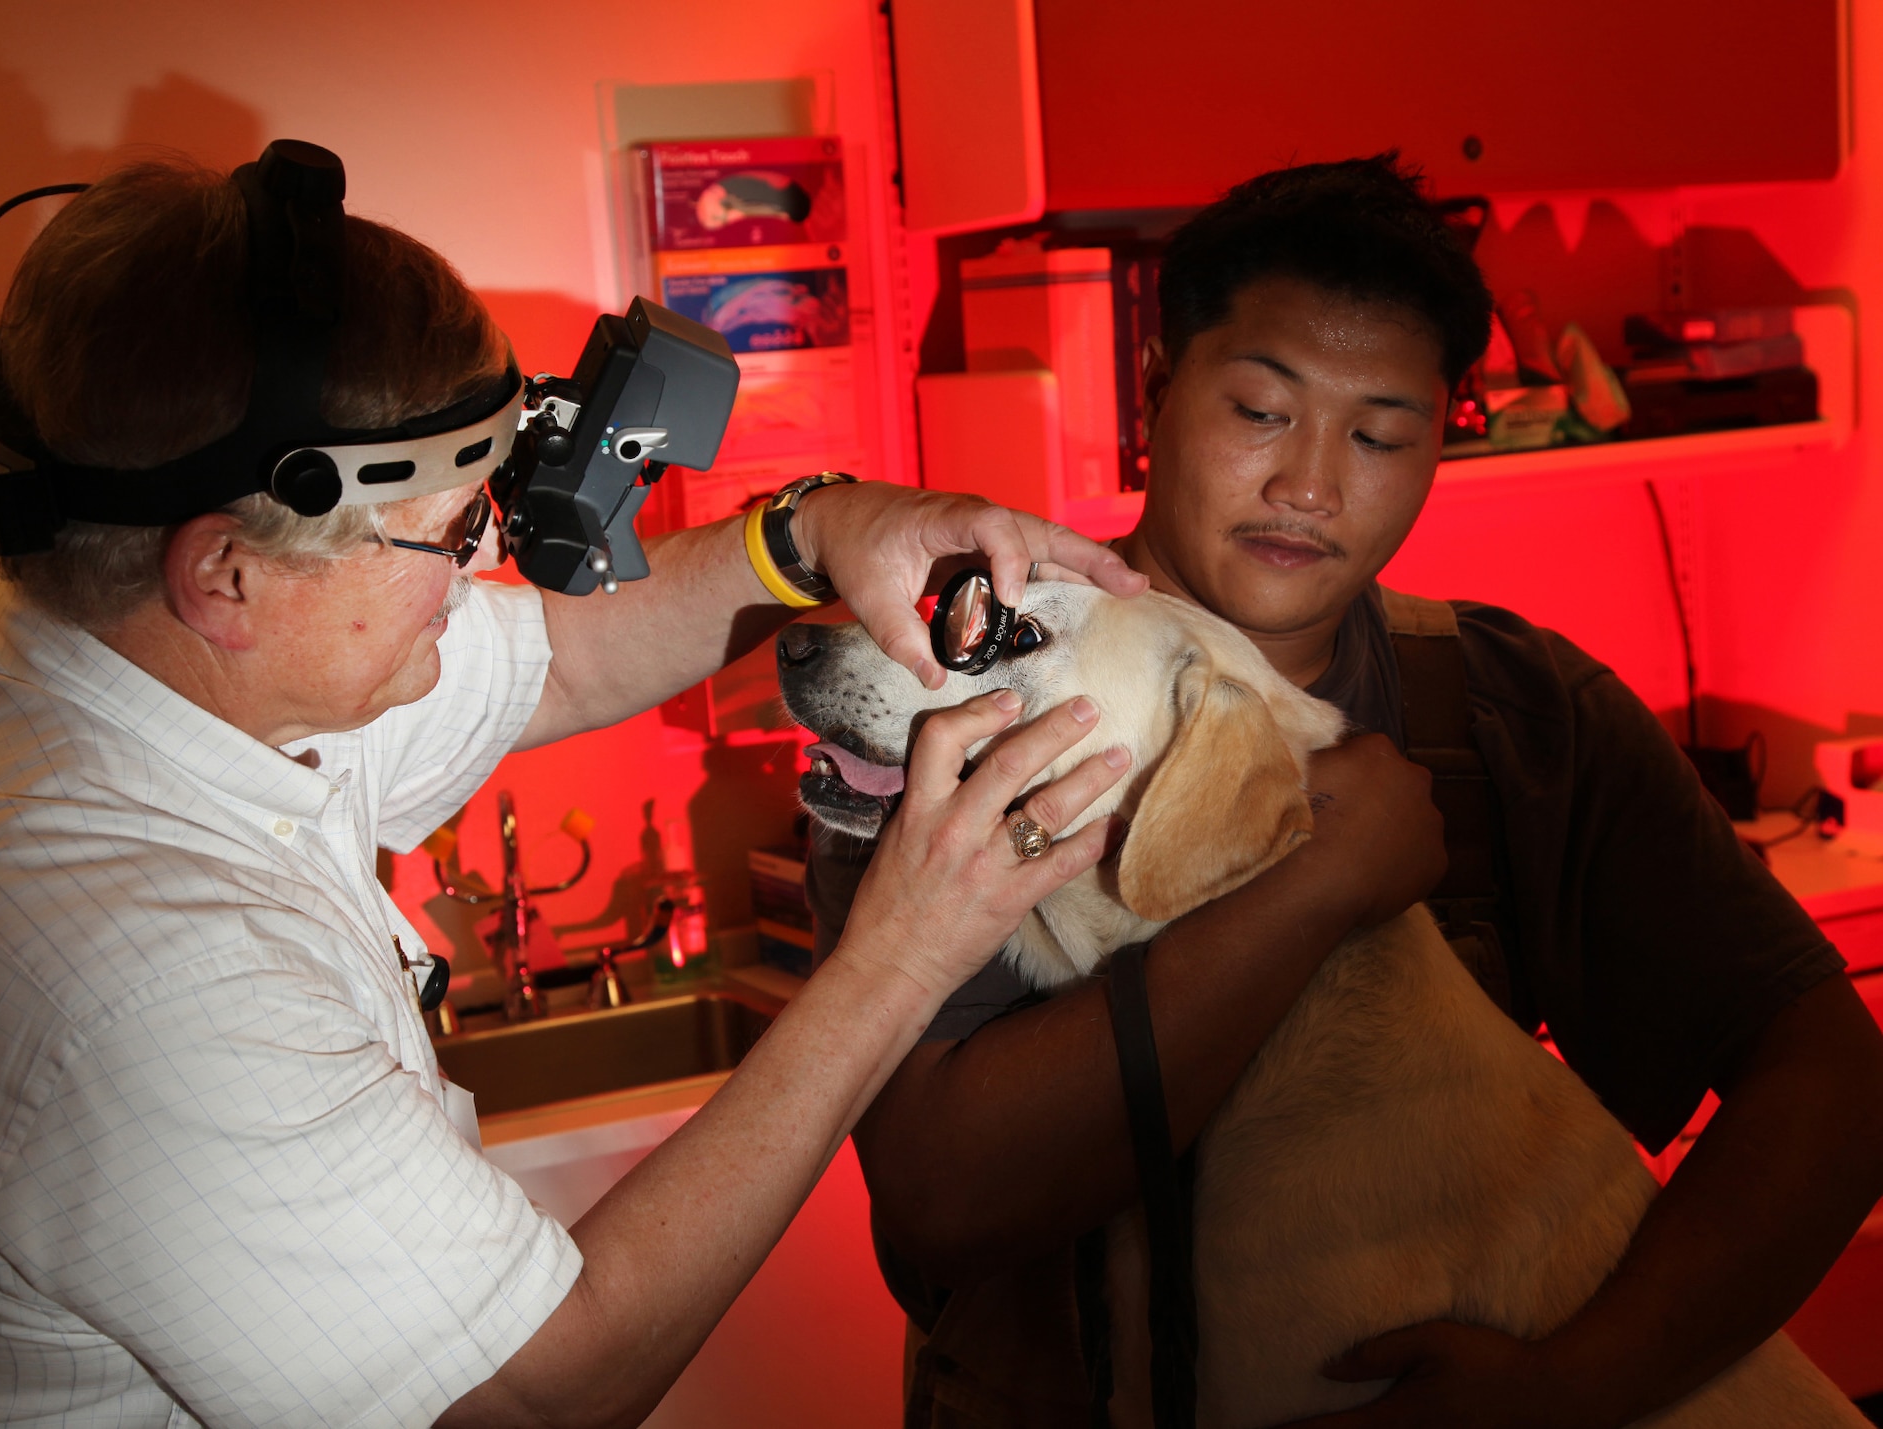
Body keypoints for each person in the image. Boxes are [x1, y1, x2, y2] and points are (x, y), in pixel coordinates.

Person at [0, 155, 1165, 1428]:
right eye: (450, 537)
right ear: (224, 576)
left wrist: (810, 531)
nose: (482, 567)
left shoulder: (89, 638)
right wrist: (896, 959)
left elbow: (556, 659)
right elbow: (538, 1395)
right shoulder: (137, 985)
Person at [807, 155, 1883, 1427]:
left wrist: (1579, 1383)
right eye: (1261, 410)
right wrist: (1318, 882)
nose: (1309, 485)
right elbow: (948, 1196)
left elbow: (1832, 1080)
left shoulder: (1509, 710)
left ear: (1442, 437)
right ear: (1155, 388)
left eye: (1377, 434)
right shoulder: (938, 697)